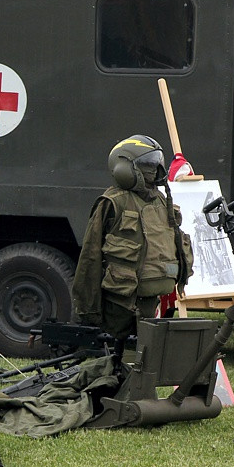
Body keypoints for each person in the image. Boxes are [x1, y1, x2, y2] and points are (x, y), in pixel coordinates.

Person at [72, 135, 194, 342]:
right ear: (125, 167)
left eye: (156, 164)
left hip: (152, 299)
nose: (154, 170)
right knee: (123, 353)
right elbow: (90, 257)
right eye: (147, 165)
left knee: (144, 355)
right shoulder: (113, 203)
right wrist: (88, 308)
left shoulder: (162, 202)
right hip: (120, 303)